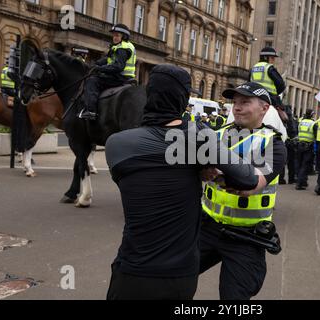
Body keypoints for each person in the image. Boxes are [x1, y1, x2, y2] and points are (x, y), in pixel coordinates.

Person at [104, 64, 259, 300]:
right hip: (178, 276)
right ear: (182, 99)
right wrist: (200, 164)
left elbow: (151, 173)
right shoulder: (198, 138)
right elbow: (247, 178)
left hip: (131, 271)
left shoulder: (116, 144)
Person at [199, 82, 287, 300]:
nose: (236, 107)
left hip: (246, 236)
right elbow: (196, 173)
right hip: (206, 228)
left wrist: (215, 172)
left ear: (264, 108)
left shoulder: (273, 144)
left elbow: (250, 186)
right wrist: (202, 171)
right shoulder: (216, 135)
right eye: (235, 102)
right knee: (172, 277)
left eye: (245, 102)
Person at [79, 23, 136, 120]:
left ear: (124, 37)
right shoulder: (117, 47)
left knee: (92, 81)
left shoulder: (123, 48)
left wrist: (99, 69)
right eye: (113, 35)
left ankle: (91, 111)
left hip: (120, 77)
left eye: (117, 35)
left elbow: (118, 66)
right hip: (119, 76)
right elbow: (107, 60)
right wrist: (95, 65)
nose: (114, 37)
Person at [296, 109, 315, 190]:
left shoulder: (301, 122)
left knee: (300, 164)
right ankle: (299, 183)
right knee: (305, 165)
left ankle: (303, 181)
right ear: (311, 115)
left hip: (300, 145)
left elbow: (298, 131)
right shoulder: (313, 123)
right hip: (308, 146)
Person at [280, 104, 298, 185]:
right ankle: (291, 178)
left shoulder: (280, 118)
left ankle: (281, 178)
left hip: (282, 141)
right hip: (290, 142)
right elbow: (293, 130)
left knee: (283, 161)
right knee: (291, 162)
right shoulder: (291, 119)